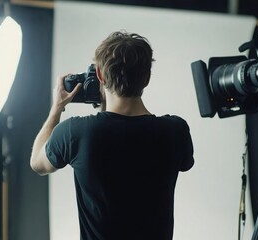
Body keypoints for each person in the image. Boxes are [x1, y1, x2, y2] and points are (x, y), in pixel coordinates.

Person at [30, 30, 195, 240]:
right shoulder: (175, 131)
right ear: (147, 78)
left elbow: (37, 163)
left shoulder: (76, 132)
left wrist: (57, 108)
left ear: (99, 75)